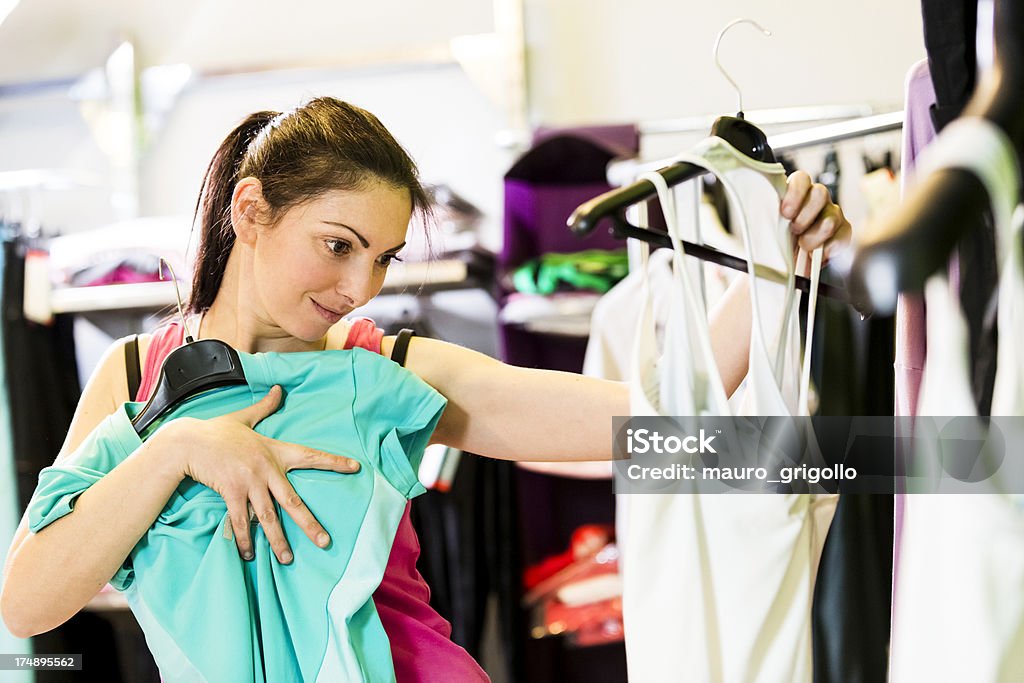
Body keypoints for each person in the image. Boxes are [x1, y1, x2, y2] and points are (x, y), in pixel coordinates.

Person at [0, 97, 850, 679]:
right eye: (339, 245)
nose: (361, 284)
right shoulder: (134, 384)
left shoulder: (386, 369)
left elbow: (652, 415)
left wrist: (781, 264)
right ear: (250, 209)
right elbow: (29, 603)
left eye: (382, 257)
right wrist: (180, 449)